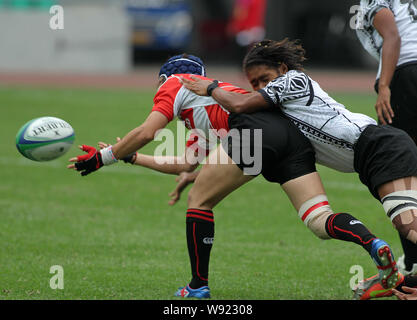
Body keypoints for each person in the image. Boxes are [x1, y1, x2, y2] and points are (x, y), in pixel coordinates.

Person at [68, 54, 399, 299]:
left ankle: (198, 288)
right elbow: (185, 163)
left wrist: (104, 157)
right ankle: (374, 243)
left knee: (200, 200)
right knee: (318, 220)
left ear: (165, 79)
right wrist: (133, 158)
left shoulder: (174, 83)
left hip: (255, 133)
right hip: (289, 139)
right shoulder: (204, 112)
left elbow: (147, 130)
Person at [180, 38, 417, 299]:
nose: (261, 87)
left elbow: (238, 105)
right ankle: (406, 282)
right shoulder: (278, 103)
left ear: (282, 68)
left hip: (379, 147)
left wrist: (210, 87)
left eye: (264, 78)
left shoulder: (294, 80)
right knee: (406, 223)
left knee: (409, 226)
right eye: (255, 83)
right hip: (370, 159)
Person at [356, 0, 417, 276]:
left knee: (401, 170)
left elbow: (392, 35)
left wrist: (384, 87)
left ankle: (414, 260)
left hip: (406, 78)